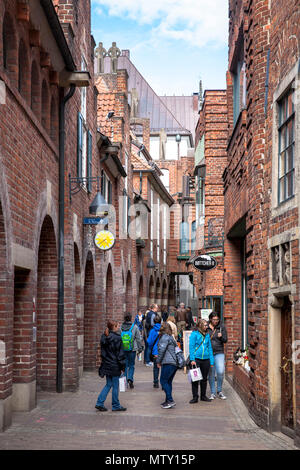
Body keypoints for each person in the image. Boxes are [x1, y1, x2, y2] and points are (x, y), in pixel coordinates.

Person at [95, 320, 126, 412]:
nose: (119, 327)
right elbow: (120, 355)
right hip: (115, 365)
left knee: (108, 384)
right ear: (114, 327)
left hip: (106, 364)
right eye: (117, 326)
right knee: (115, 386)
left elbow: (102, 352)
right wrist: (122, 367)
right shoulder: (117, 338)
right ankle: (115, 405)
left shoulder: (104, 337)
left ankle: (99, 402)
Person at [189, 319, 214, 403]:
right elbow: (191, 347)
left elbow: (209, 348)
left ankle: (203, 396)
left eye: (207, 325)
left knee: (204, 379)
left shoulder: (207, 335)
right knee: (195, 379)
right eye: (205, 325)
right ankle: (195, 397)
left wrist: (211, 361)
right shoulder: (194, 334)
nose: (206, 326)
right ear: (200, 326)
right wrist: (192, 359)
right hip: (196, 359)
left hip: (206, 359)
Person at [157, 322, 178, 409]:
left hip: (168, 362)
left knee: (163, 381)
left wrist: (158, 361)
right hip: (174, 363)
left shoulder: (164, 337)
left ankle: (170, 400)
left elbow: (161, 351)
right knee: (168, 382)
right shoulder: (170, 337)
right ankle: (167, 401)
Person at [207, 312, 228, 400]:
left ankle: (219, 390)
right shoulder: (206, 327)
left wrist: (221, 336)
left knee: (220, 371)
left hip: (219, 352)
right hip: (209, 353)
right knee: (211, 373)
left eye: (217, 319)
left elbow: (225, 340)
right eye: (214, 319)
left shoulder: (221, 327)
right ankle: (212, 392)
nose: (216, 321)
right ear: (210, 319)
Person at [120, 313, 143, 389]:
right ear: (131, 318)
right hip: (132, 349)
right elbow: (138, 339)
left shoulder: (121, 327)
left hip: (123, 349)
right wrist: (140, 348)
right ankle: (130, 378)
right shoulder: (135, 327)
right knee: (131, 365)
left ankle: (125, 381)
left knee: (125, 366)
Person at [146, 315, 162, 388]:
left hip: (156, 352)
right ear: (160, 321)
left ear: (154, 322)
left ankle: (156, 383)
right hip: (163, 351)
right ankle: (164, 383)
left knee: (156, 368)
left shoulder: (152, 331)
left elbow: (149, 342)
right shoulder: (164, 330)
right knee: (164, 368)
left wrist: (151, 348)